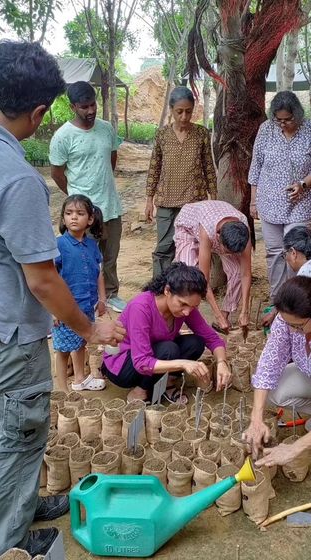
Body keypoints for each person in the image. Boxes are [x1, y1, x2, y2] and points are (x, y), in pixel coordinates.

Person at [0, 41, 125, 556]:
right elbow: (41, 279)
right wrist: (89, 329)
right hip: (4, 333)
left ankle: (21, 502)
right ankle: (3, 541)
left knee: (1, 426)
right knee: (13, 435)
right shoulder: (15, 177)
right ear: (39, 113)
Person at [102, 262, 231, 404]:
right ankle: (141, 390)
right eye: (183, 304)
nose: (187, 311)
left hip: (154, 353)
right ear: (167, 291)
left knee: (196, 343)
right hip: (124, 366)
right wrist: (182, 364)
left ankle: (168, 382)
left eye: (193, 306)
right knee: (169, 349)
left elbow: (211, 338)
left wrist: (222, 362)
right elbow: (141, 362)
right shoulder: (141, 307)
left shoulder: (186, 309)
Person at [50, 81, 126, 313]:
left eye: (93, 104)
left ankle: (111, 294)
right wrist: (76, 198)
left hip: (110, 207)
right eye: (85, 106)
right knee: (83, 257)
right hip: (84, 212)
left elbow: (111, 158)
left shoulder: (106, 129)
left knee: (110, 255)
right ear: (73, 107)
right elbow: (56, 173)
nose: (91, 110)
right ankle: (87, 298)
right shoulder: (63, 136)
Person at [248, 91, 311, 326]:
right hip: (270, 202)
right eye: (279, 119)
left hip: (300, 203)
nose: (283, 124)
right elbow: (256, 166)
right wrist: (253, 201)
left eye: (288, 119)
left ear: (297, 115)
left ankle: (294, 301)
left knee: (295, 253)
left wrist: (303, 184)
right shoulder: (266, 129)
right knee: (274, 253)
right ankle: (277, 300)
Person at [243, 276, 311, 471]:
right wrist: (256, 419)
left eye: (298, 326)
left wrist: (295, 449)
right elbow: (268, 366)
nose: (291, 330)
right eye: (287, 323)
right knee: (275, 388)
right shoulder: (286, 320)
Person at [145, 86, 217, 278]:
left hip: (194, 202)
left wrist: (214, 197)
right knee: (164, 247)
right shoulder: (162, 135)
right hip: (166, 201)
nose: (184, 117)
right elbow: (155, 167)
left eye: (188, 112)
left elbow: (208, 166)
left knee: (191, 246)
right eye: (179, 112)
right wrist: (149, 200)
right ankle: (160, 287)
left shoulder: (201, 134)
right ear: (171, 110)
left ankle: (187, 287)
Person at [53, 194, 107, 392]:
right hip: (65, 309)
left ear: (90, 219)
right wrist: (54, 310)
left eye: (79, 213)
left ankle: (79, 379)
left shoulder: (92, 245)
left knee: (81, 341)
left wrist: (102, 299)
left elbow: (99, 273)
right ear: (63, 218)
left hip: (87, 305)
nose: (73, 217)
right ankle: (63, 391)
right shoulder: (59, 245)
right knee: (62, 350)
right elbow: (51, 278)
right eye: (68, 213)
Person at [173, 200, 252, 333]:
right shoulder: (207, 230)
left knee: (237, 272)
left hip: (219, 218)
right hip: (189, 227)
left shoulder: (243, 231)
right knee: (189, 275)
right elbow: (203, 280)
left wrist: (245, 311)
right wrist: (216, 314)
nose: (227, 254)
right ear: (218, 238)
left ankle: (224, 316)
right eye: (226, 251)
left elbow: (246, 273)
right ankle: (186, 320)